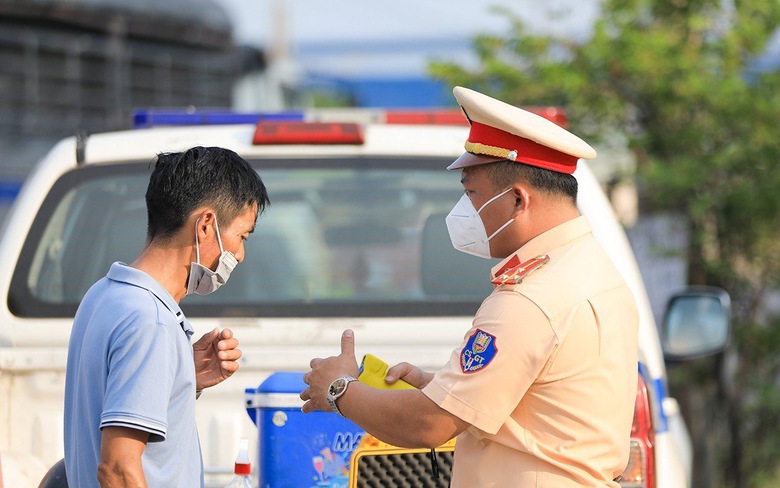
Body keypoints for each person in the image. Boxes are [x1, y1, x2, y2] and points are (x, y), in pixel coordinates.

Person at [300, 87, 639, 487]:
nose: (467, 212)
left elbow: (429, 424)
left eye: (471, 194)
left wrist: (339, 390)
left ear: (517, 200)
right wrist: (438, 387)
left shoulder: (531, 297)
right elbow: (542, 409)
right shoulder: (592, 269)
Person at [64, 146, 269, 488]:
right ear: (206, 225)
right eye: (241, 236)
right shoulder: (151, 321)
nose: (241, 253)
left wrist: (180, 378)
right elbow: (117, 469)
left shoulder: (104, 293)